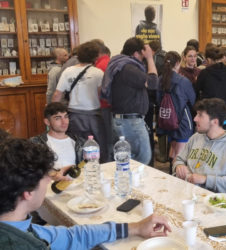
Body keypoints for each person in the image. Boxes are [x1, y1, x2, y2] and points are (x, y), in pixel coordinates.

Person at [0, 137, 171, 249]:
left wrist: (134, 227)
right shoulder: (17, 244)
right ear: (27, 192)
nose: (49, 180)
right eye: (45, 175)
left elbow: (71, 236)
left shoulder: (19, 225)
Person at [173, 98, 226, 195]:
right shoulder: (196, 137)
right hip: (186, 194)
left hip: (211, 202)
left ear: (214, 121)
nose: (195, 119)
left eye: (200, 115)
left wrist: (206, 180)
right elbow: (179, 159)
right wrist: (179, 166)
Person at [101, 37, 158, 165]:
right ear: (136, 53)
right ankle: (132, 182)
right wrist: (150, 58)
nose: (143, 59)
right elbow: (153, 83)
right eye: (143, 56)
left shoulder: (118, 64)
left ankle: (127, 182)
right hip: (130, 121)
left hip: (122, 119)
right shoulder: (128, 68)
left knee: (125, 159)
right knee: (143, 158)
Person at [52, 41, 108, 163]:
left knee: (76, 146)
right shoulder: (98, 73)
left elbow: (57, 94)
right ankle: (97, 172)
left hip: (74, 115)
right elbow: (101, 95)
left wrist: (51, 113)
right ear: (95, 57)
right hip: (94, 116)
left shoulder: (68, 71)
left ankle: (76, 172)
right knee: (97, 147)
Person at [157, 51, 196, 167]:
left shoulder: (160, 79)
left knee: (173, 148)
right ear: (178, 63)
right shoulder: (183, 81)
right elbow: (192, 100)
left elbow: (158, 100)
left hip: (167, 119)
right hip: (182, 120)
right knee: (180, 152)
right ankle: (176, 177)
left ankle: (171, 172)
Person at [30, 102, 85, 181]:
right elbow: (31, 170)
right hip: (49, 187)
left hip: (76, 185)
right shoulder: (36, 143)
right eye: (57, 118)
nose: (64, 122)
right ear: (47, 122)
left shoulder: (79, 142)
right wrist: (54, 174)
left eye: (66, 117)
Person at [196, 45, 226, 130]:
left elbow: (196, 90)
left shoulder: (204, 73)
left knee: (210, 141)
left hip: (211, 115)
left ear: (209, 59)